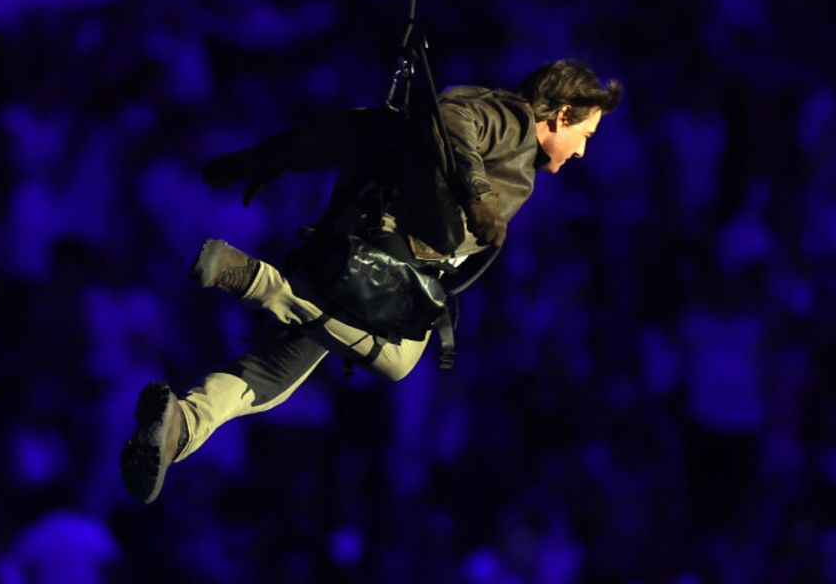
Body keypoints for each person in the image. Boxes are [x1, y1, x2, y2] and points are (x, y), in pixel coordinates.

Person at [120, 59, 621, 503]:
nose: (581, 152)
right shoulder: (511, 122)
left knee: (275, 374)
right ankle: (257, 282)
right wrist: (477, 195)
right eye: (587, 137)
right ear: (561, 115)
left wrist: (271, 155)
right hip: (383, 259)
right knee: (401, 361)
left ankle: (179, 428)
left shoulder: (515, 145)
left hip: (380, 258)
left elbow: (372, 131)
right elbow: (450, 118)